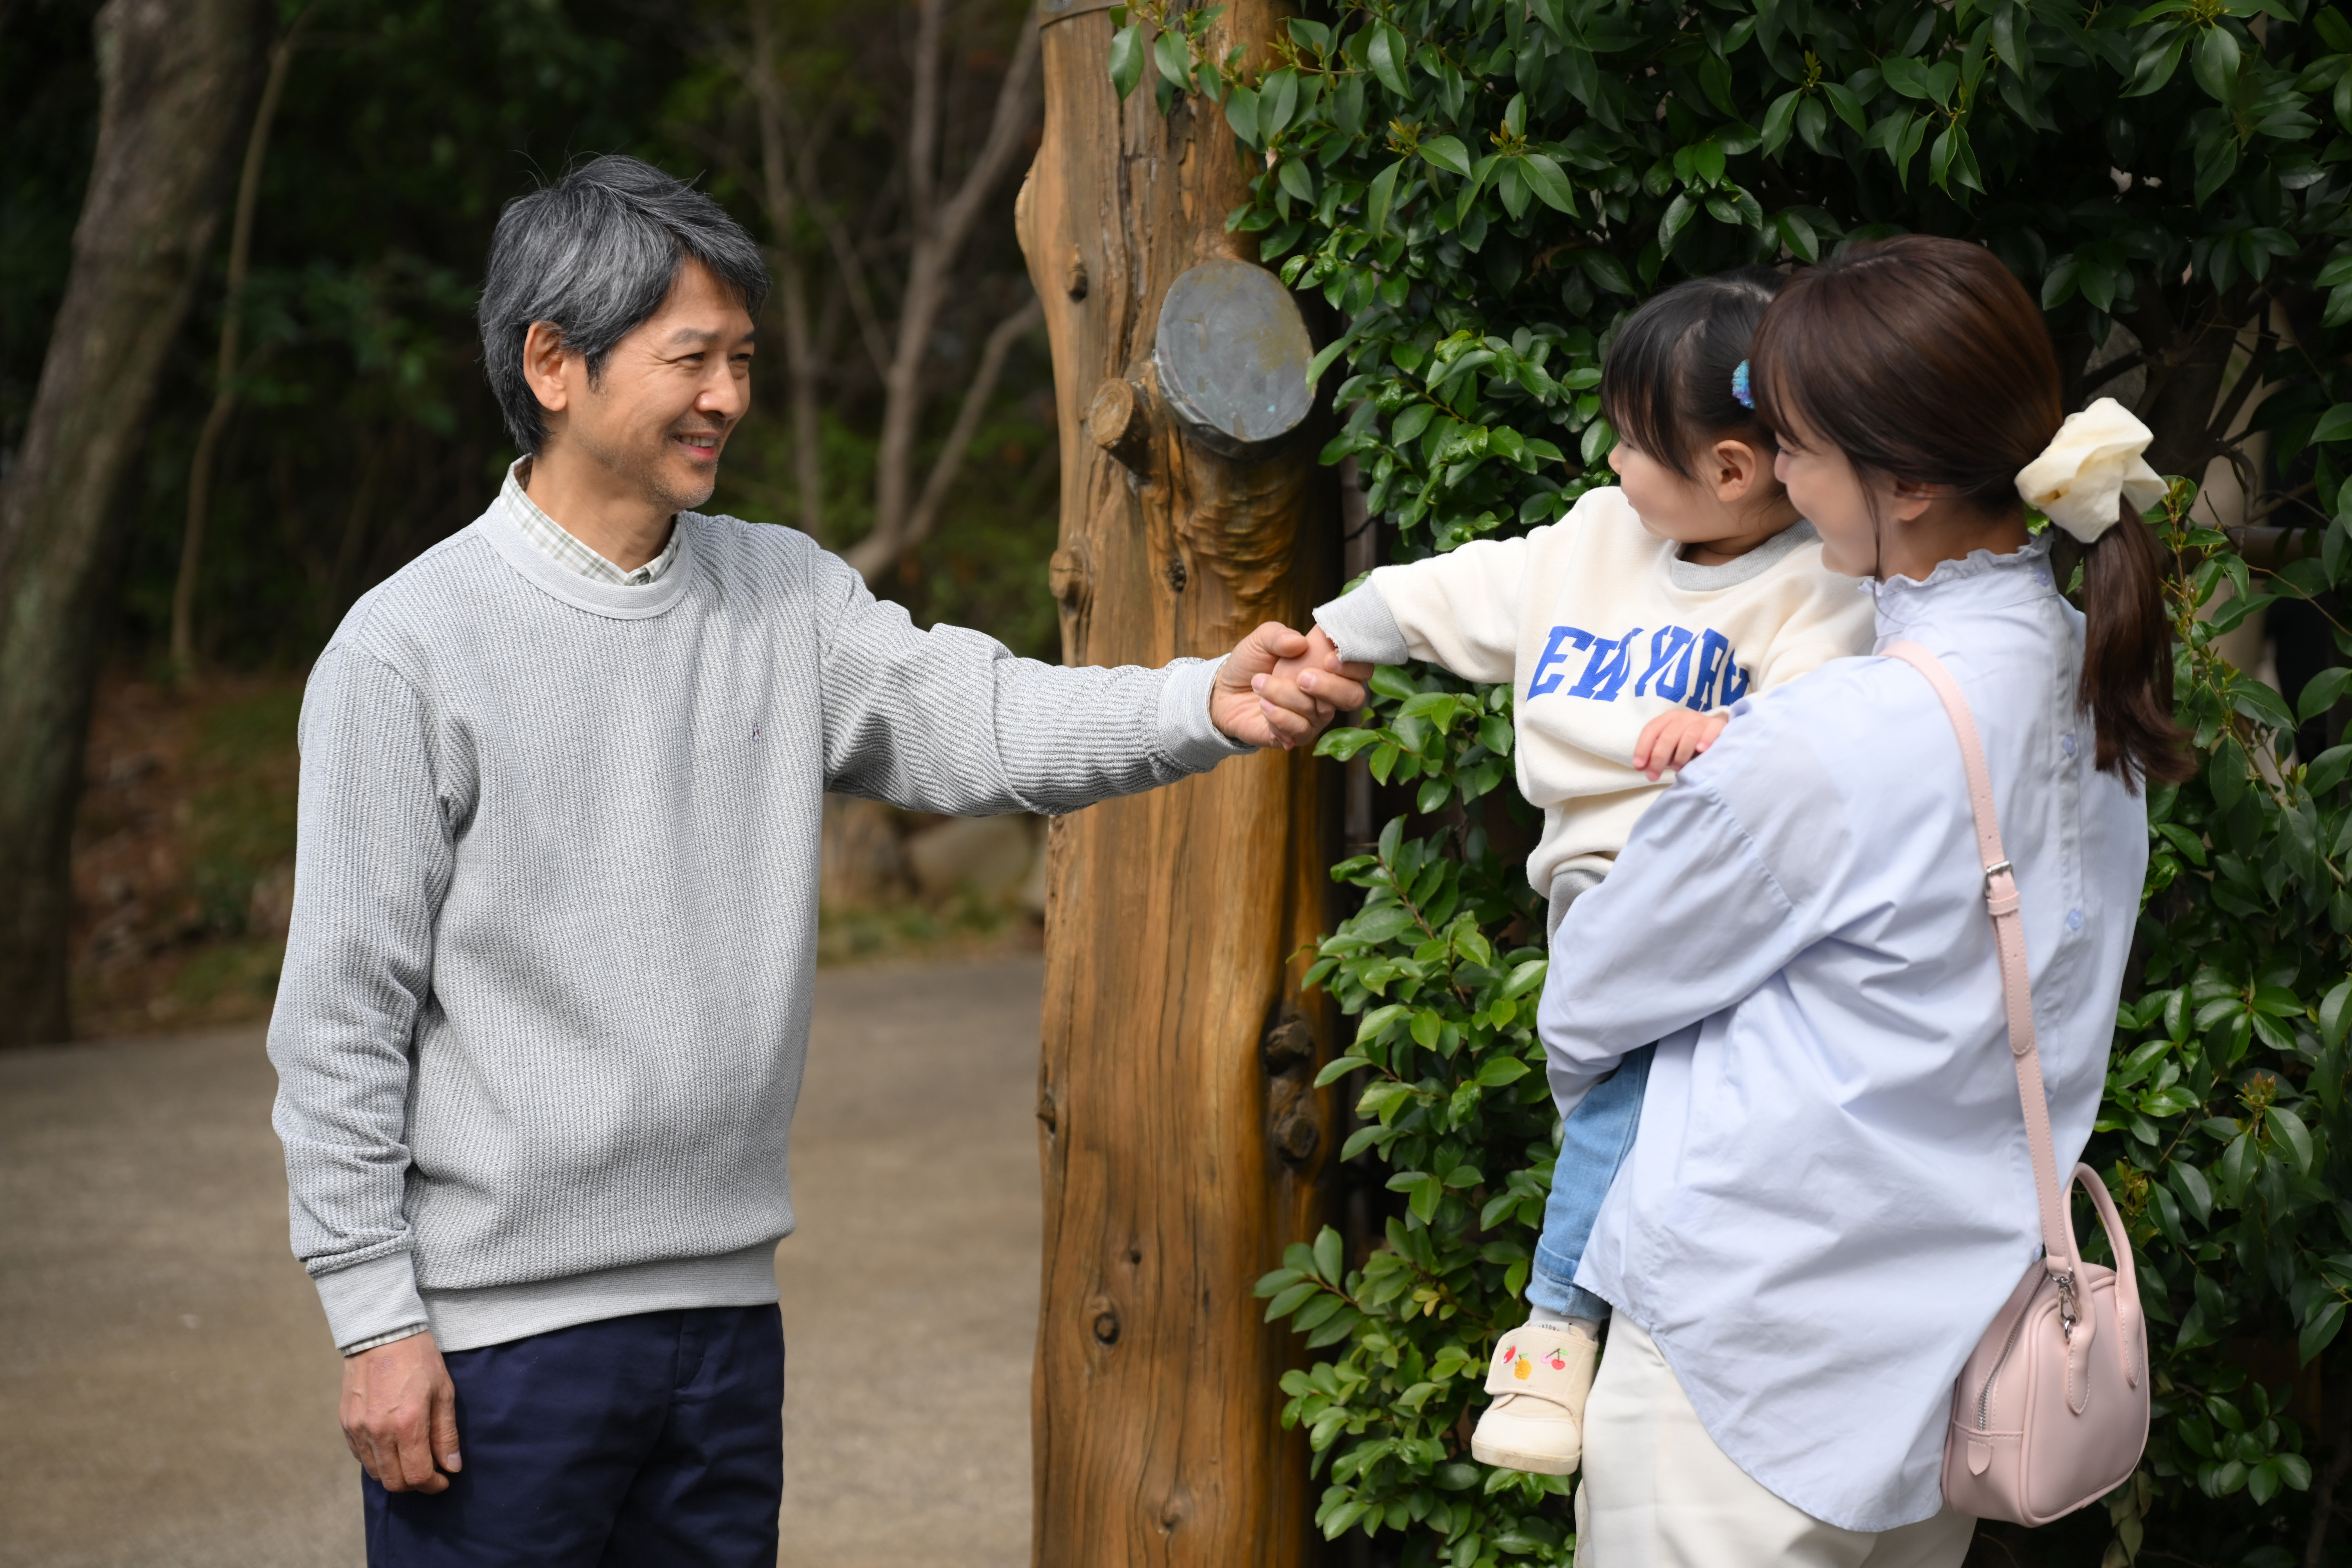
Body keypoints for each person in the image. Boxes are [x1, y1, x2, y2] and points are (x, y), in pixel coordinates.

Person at [266, 153, 1367, 1566]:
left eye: (742, 359)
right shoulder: (406, 651)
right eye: (691, 359)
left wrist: (1199, 700)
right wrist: (375, 1319)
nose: (729, 396)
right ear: (553, 364)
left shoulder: (782, 594)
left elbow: (982, 719)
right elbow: (341, 1019)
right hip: (499, 1346)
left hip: (724, 1325)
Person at [1541, 234, 2189, 1562]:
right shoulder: (2094, 685)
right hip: (1947, 1371)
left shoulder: (1830, 738)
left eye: (1795, 446)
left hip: (1741, 1360)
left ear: (1904, 481)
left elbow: (1591, 995)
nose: (1778, 475)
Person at [1290, 270, 1876, 1474]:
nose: (1610, 463)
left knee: (1641, 1114)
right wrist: (1342, 631)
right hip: (1603, 898)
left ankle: (1555, 1329)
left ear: (1731, 469)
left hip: (1730, 902)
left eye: (1633, 443)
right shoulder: (1601, 539)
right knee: (1631, 1118)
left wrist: (1737, 730)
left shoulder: (1820, 580)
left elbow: (1836, 721)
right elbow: (1472, 585)